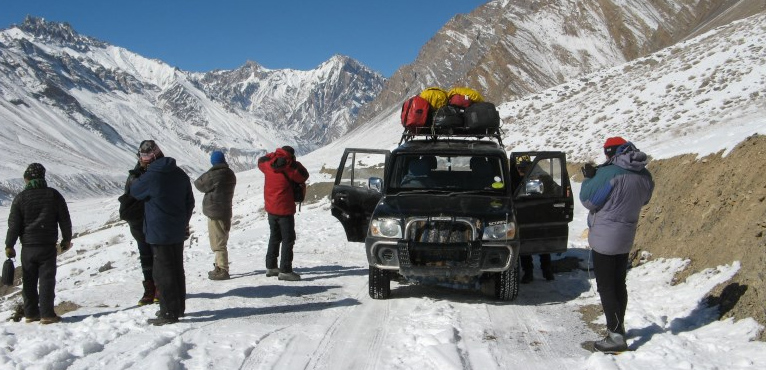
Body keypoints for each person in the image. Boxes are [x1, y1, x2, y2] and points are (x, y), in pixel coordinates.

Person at [579, 136, 654, 353]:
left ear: (611, 152)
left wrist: (589, 178)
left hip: (605, 237)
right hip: (626, 235)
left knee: (606, 286)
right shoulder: (644, 174)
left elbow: (588, 200)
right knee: (619, 282)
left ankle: (615, 336)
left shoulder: (609, 173)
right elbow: (646, 199)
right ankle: (619, 327)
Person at [130, 141, 195, 326]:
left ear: (148, 157)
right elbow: (189, 201)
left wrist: (139, 172)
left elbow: (135, 191)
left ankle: (168, 312)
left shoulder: (152, 176)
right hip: (177, 229)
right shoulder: (179, 173)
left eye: (142, 156)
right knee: (176, 269)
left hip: (158, 231)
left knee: (162, 272)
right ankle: (178, 308)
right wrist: (183, 221)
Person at [5, 163, 72, 324]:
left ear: (27, 179)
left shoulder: (20, 198)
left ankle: (31, 313)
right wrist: (66, 239)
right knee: (47, 280)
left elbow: (14, 225)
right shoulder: (53, 195)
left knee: (29, 281)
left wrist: (9, 245)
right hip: (47, 246)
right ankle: (47, 314)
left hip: (28, 247)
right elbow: (64, 219)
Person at [257, 146, 309, 281]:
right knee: (288, 239)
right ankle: (285, 270)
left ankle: (271, 266)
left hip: (271, 208)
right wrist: (293, 162)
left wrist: (272, 156)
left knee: (274, 236)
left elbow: (260, 161)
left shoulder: (268, 164)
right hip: (285, 209)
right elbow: (304, 175)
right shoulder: (290, 167)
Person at [118, 143, 157, 305]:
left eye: (148, 155)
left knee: (158, 256)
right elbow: (129, 194)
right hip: (140, 222)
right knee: (146, 256)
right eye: (142, 155)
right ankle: (150, 288)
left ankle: (159, 287)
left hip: (154, 221)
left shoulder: (158, 172)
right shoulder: (134, 175)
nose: (145, 159)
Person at [194, 150, 237, 280]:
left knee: (217, 242)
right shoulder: (230, 173)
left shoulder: (214, 175)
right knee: (222, 238)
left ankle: (223, 269)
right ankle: (218, 266)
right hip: (226, 210)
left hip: (215, 211)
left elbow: (198, 184)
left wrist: (210, 171)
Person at [515, 156, 554, 283]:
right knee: (525, 246)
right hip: (524, 215)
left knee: (542, 245)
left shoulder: (543, 177)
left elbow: (554, 192)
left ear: (529, 166)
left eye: (522, 167)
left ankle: (547, 270)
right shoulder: (517, 178)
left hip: (541, 215)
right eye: (518, 167)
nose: (520, 170)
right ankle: (528, 272)